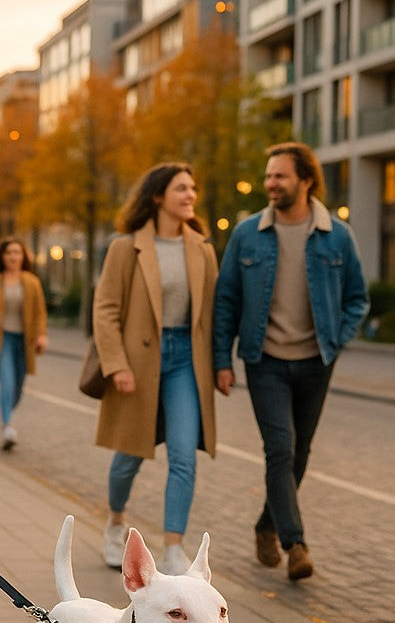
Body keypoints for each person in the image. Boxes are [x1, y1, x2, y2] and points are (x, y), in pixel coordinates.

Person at [213, 142, 368, 581]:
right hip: (266, 361)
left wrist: (336, 340)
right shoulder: (247, 233)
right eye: (268, 176)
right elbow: (226, 301)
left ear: (305, 180)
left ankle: (266, 523)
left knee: (299, 453)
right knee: (279, 448)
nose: (270, 184)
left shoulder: (336, 235)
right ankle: (295, 543)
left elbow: (358, 297)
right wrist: (221, 359)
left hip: (317, 361)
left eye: (279, 176)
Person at [93, 163, 218, 576]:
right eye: (181, 188)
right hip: (139, 360)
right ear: (158, 196)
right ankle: (114, 522)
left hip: (185, 359)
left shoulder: (201, 247)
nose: (190, 195)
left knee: (184, 455)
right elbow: (106, 309)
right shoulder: (125, 248)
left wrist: (220, 366)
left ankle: (172, 548)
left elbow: (213, 315)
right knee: (129, 456)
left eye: (193, 188)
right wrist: (117, 364)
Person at [0, 238, 48, 449]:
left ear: (23, 256)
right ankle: (8, 425)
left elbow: (40, 313)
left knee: (19, 387)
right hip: (2, 340)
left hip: (25, 341)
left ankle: (8, 413)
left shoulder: (32, 282)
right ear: (2, 257)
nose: (13, 257)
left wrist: (41, 335)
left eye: (17, 252)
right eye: (9, 253)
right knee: (7, 381)